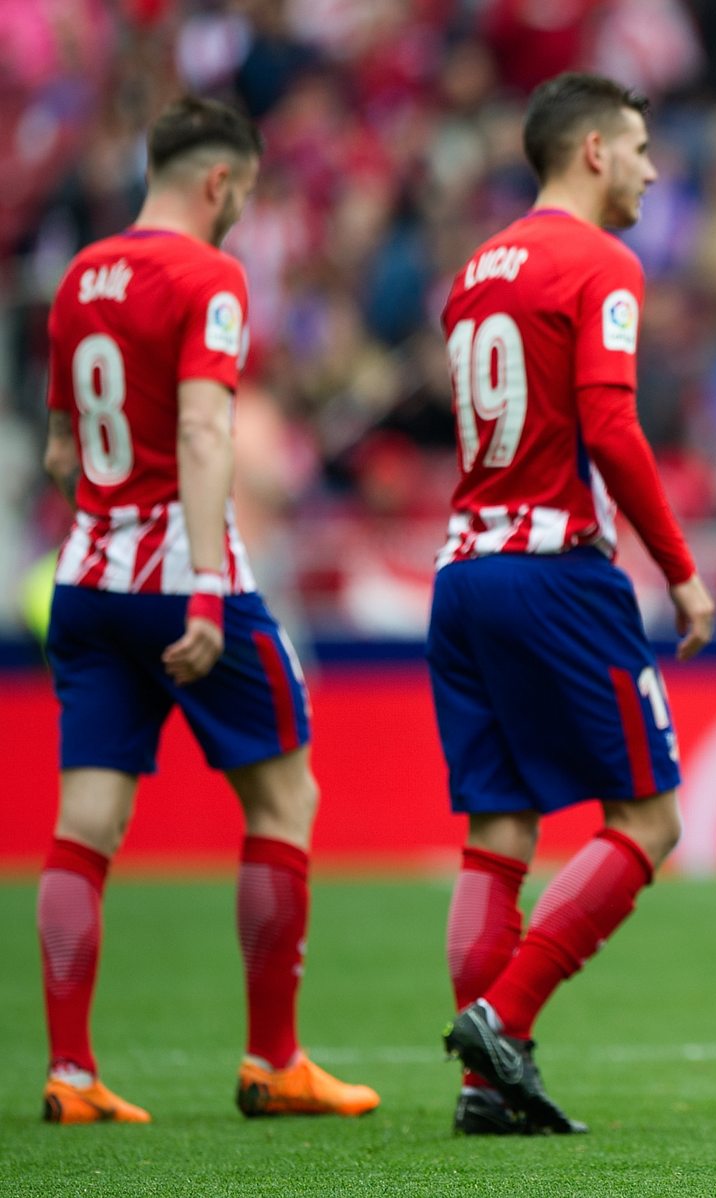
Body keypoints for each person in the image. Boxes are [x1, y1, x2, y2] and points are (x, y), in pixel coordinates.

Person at [37, 96, 379, 1124]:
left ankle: (72, 1073)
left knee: (84, 826)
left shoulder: (76, 278)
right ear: (220, 181)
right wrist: (195, 584)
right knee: (284, 802)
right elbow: (202, 432)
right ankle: (273, 1060)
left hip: (86, 580)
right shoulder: (209, 276)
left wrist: (110, 529)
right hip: (188, 584)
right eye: (248, 193)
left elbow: (60, 451)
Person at [432, 71, 716, 1137]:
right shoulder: (600, 261)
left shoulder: (475, 271)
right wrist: (680, 567)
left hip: (462, 571)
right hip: (556, 569)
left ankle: (483, 1087)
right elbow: (610, 424)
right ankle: (505, 1018)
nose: (651, 167)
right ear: (593, 151)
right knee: (648, 816)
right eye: (639, 147)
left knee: (498, 827)